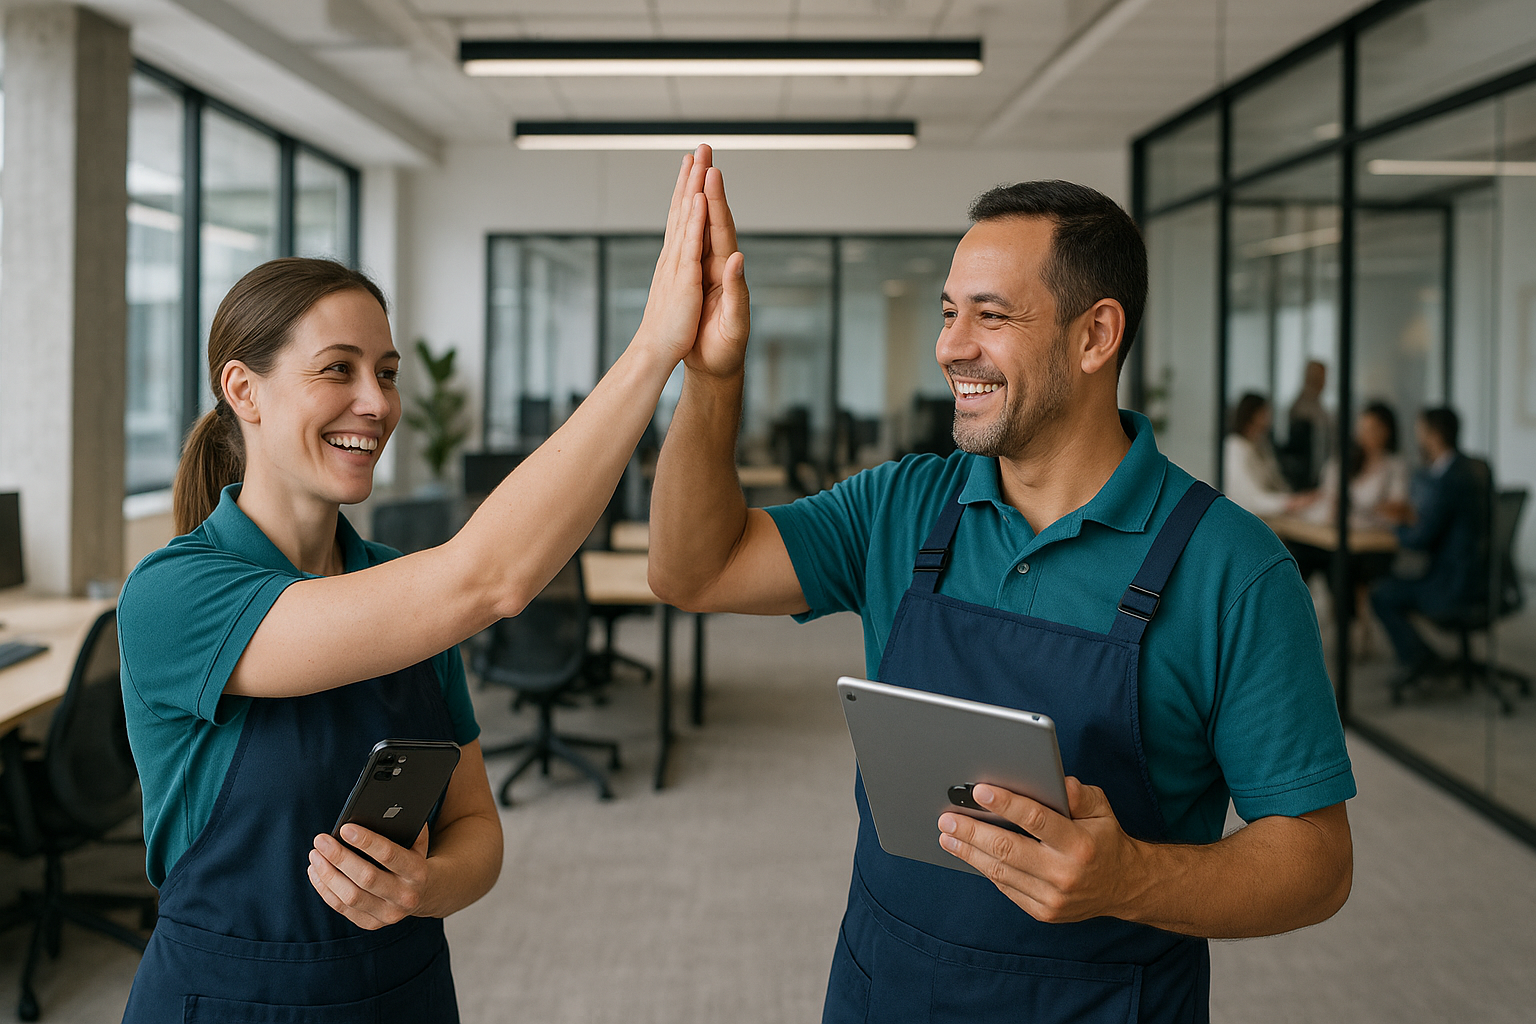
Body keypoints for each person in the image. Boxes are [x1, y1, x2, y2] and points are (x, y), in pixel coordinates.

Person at [649, 176, 1354, 1023]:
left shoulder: (1231, 568)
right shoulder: (904, 505)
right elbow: (694, 570)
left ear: (1096, 335)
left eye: (991, 316)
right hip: (884, 990)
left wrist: (1129, 878)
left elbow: (1317, 862)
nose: (951, 347)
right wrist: (712, 376)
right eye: (949, 313)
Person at [115, 149, 726, 1020]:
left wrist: (424, 886)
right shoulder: (175, 596)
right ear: (243, 390)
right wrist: (654, 349)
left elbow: (478, 831)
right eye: (338, 369)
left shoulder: (397, 589)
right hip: (231, 999)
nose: (377, 402)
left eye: (388, 372)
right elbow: (489, 580)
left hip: (403, 992)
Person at [1370, 406, 1488, 682]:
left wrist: (1393, 527)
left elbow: (1420, 540)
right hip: (1483, 579)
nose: (1418, 440)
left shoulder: (1449, 480)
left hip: (1452, 584)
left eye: (1420, 433)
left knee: (1381, 594)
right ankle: (1424, 657)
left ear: (1434, 436)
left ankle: (1419, 658)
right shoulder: (1475, 468)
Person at [1222, 392, 1310, 517]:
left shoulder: (1261, 446)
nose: (1268, 420)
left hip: (1270, 514)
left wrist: (1296, 500)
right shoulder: (1234, 447)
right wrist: (1289, 503)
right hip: (1249, 517)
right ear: (1252, 415)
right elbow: (1250, 500)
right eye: (1264, 414)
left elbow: (1277, 483)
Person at [1283, 359, 1332, 488]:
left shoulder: (1319, 406)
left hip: (1320, 470)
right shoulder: (1300, 408)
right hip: (1306, 475)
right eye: (1320, 377)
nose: (1324, 382)